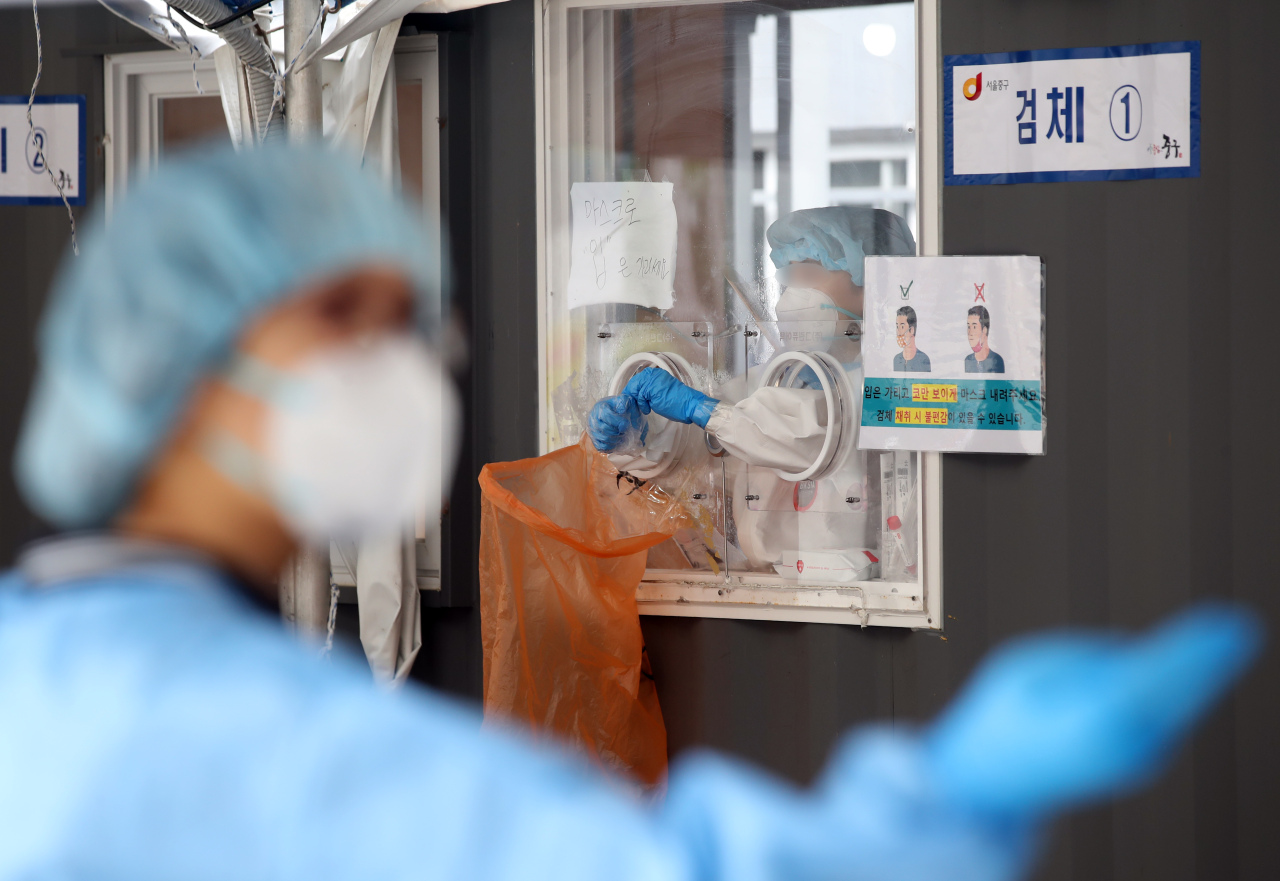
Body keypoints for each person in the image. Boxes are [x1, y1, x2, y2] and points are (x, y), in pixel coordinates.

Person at [0, 144, 1262, 881]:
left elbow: (788, 428)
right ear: (177, 355)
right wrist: (933, 800)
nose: (398, 370)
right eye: (344, 321)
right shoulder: (276, 746)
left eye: (408, 326)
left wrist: (681, 410)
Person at [591, 206, 915, 574]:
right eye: (789, 278)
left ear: (869, 279)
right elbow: (713, 440)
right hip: (769, 582)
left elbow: (805, 432)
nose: (792, 296)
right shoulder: (778, 375)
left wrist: (702, 409)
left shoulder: (889, 380)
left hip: (861, 590)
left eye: (811, 271)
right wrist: (639, 435)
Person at [965, 305, 1005, 373]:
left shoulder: (996, 360)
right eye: (969, 327)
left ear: (984, 330)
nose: (970, 333)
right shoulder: (968, 360)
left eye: (974, 327)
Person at [894, 305, 931, 372]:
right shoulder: (896, 360)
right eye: (897, 326)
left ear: (912, 330)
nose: (898, 332)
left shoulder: (923, 360)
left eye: (902, 327)